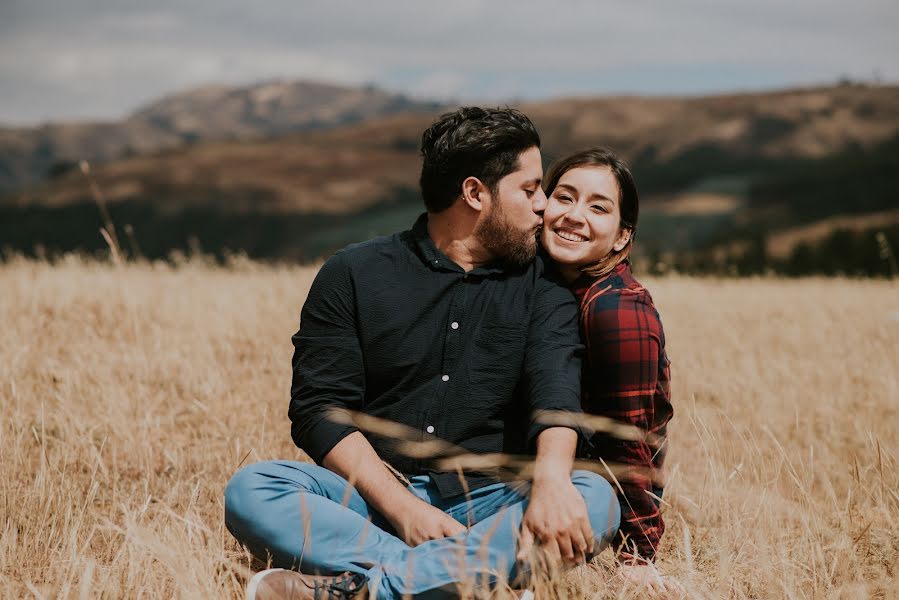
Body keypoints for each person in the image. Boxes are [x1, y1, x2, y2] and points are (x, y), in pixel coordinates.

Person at [224, 108, 621, 600]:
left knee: (595, 498)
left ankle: (366, 590)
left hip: (494, 501)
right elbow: (318, 410)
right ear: (475, 194)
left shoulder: (543, 284)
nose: (544, 205)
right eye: (529, 189)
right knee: (254, 490)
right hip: (371, 500)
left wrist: (554, 481)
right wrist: (404, 509)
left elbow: (556, 390)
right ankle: (459, 576)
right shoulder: (353, 273)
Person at [541, 148, 675, 595]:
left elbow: (629, 438)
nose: (574, 216)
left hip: (585, 508)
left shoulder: (615, 308)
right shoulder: (558, 290)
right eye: (564, 197)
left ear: (621, 236)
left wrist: (638, 552)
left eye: (598, 207)